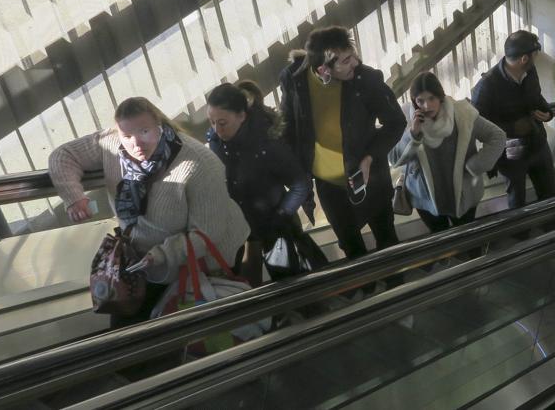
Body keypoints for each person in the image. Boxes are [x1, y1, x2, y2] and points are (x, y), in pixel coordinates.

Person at [51, 97, 249, 329]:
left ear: (160, 126)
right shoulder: (111, 143)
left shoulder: (199, 162)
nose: (136, 144)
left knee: (192, 326)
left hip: (199, 258)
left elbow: (209, 232)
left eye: (145, 131)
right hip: (142, 259)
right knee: (132, 324)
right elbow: (62, 156)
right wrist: (75, 198)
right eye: (127, 136)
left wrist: (161, 255)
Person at [277, 26, 406, 260]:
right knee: (350, 246)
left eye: (352, 55)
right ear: (323, 69)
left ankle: (396, 285)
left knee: (387, 239)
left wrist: (369, 158)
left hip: (368, 177)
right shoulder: (294, 78)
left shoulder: (366, 80)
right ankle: (366, 291)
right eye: (346, 61)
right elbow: (288, 127)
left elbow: (396, 123)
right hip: (329, 185)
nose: (355, 63)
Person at [205, 81, 327, 284]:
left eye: (222, 123)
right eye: (211, 122)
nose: (216, 130)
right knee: (242, 282)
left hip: (273, 226)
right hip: (239, 227)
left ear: (242, 116)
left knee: (289, 280)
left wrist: (281, 215)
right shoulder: (216, 143)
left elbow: (299, 184)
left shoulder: (267, 144)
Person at [390, 72, 506, 233]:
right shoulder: (407, 119)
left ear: (440, 97)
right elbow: (394, 159)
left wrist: (475, 166)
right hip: (425, 199)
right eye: (420, 100)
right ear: (414, 102)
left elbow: (497, 136)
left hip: (463, 194)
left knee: (469, 239)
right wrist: (413, 134)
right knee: (440, 241)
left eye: (431, 98)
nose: (426, 106)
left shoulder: (462, 113)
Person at [472, 30, 555, 209]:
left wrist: (548, 112)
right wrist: (512, 128)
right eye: (535, 55)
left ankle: (551, 227)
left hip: (538, 143)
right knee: (517, 201)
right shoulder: (486, 86)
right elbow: (478, 127)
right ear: (524, 59)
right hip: (511, 154)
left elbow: (537, 96)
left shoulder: (530, 71)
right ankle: (521, 235)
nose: (537, 58)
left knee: (549, 194)